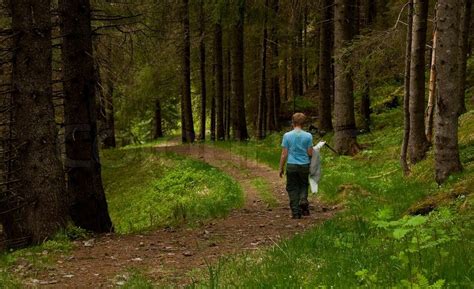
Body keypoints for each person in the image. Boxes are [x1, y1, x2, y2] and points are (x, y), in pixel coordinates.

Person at [279, 113, 313, 219]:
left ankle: (295, 212)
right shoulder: (308, 136)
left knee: (292, 187)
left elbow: (284, 154)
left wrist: (281, 167)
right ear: (303, 123)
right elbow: (310, 153)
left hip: (292, 165)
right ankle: (303, 199)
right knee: (303, 184)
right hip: (304, 165)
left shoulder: (287, 136)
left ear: (292, 122)